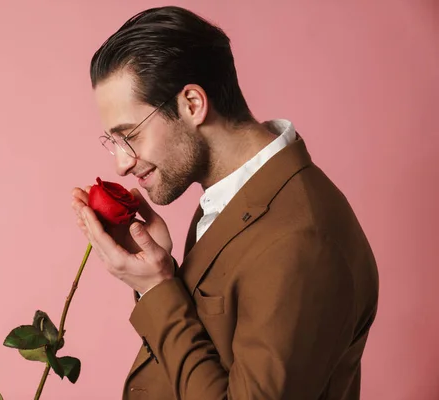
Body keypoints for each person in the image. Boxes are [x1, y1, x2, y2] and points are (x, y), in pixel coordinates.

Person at [71, 6, 379, 400]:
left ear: (193, 104)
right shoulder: (233, 197)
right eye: (113, 142)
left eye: (129, 135)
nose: (122, 162)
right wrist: (159, 270)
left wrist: (156, 289)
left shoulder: (302, 239)